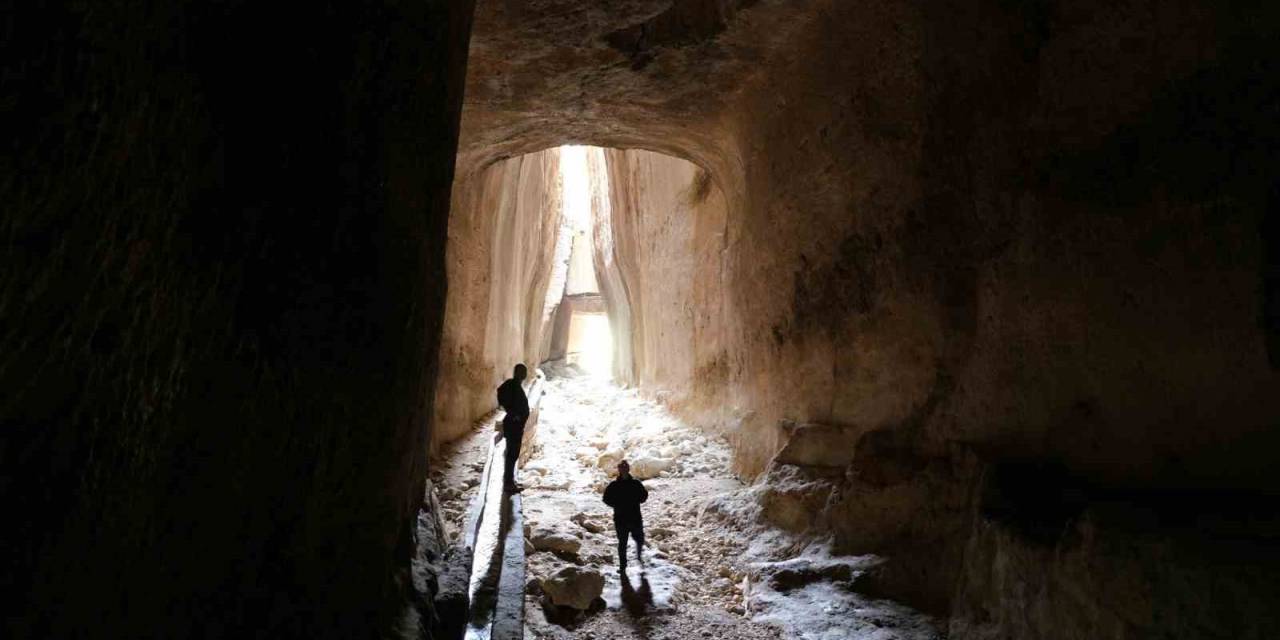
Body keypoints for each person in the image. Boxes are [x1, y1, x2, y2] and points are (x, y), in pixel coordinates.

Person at [602, 460, 648, 573]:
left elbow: (644, 496)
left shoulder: (635, 484)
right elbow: (606, 499)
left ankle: (639, 558)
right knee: (623, 543)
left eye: (625, 467)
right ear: (619, 469)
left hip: (632, 517)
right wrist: (617, 505)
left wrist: (619, 505)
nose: (623, 469)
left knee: (638, 540)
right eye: (622, 467)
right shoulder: (615, 485)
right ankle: (623, 566)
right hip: (622, 518)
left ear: (628, 469)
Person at [496, 363, 530, 492]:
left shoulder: (515, 385)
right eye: (523, 372)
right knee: (511, 454)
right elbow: (500, 393)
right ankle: (508, 484)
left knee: (512, 454)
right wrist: (512, 412)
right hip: (513, 425)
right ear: (518, 373)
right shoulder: (512, 385)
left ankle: (510, 481)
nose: (524, 374)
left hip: (515, 425)